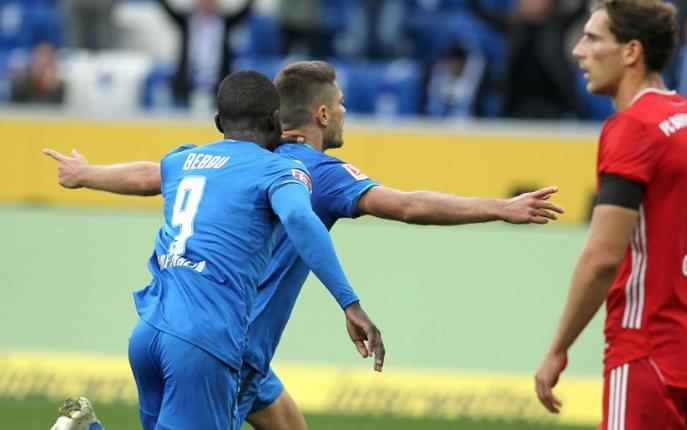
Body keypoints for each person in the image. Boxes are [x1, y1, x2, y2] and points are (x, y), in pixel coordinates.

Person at [44, 60, 564, 430]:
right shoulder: (303, 172)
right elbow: (407, 205)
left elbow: (149, 172)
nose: (344, 111)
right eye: (339, 104)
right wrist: (501, 207)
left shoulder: (204, 157)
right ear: (320, 115)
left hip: (161, 323)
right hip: (223, 341)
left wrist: (86, 173)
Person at [46, 70, 384, 430]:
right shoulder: (279, 169)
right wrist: (350, 303)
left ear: (219, 122)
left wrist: (85, 174)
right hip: (202, 339)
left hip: (148, 331)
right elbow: (300, 219)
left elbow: (145, 176)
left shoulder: (183, 161)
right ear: (274, 121)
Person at [533, 2, 687, 430]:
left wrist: (558, 347)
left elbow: (603, 257)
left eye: (593, 38)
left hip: (646, 352)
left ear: (631, 52)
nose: (579, 51)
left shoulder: (633, 127)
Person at [155, 0, 254, 107]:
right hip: (186, 86)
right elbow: (168, 9)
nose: (205, 3)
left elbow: (244, 12)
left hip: (218, 87)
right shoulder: (186, 22)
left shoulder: (224, 22)